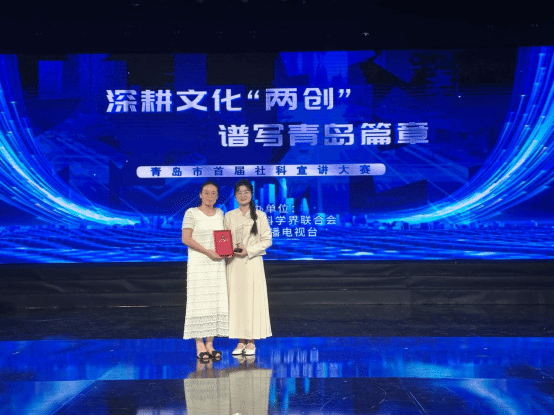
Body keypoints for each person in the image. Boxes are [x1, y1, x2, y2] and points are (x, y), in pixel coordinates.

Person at [225, 179, 272, 356]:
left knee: (252, 301)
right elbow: (224, 238)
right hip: (234, 263)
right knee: (237, 301)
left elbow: (267, 240)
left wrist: (249, 250)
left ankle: (251, 341)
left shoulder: (260, 215)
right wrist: (226, 251)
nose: (243, 195)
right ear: (235, 196)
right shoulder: (229, 216)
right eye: (239, 192)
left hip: (252, 262)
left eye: (246, 192)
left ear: (251, 194)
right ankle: (240, 340)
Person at [182, 180, 228, 361]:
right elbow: (186, 238)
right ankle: (199, 344)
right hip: (199, 263)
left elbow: (223, 238)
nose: (210, 196)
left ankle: (210, 344)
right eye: (206, 193)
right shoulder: (191, 212)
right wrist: (207, 251)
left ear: (217, 196)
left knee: (214, 302)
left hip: (217, 264)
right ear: (200, 195)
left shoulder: (220, 213)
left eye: (213, 193)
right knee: (198, 302)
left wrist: (227, 251)